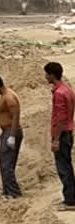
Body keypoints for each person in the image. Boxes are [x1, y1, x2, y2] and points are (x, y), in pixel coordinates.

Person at [0, 74, 23, 199]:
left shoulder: (9, 98)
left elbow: (15, 117)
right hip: (6, 132)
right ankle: (7, 191)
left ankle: (14, 193)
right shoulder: (5, 96)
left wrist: (12, 136)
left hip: (11, 132)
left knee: (7, 164)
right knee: (4, 163)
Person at [45, 62, 75, 211]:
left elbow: (61, 118)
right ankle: (70, 197)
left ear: (51, 75)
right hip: (68, 132)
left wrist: (56, 139)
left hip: (62, 135)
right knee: (67, 165)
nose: (45, 77)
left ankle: (70, 201)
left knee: (63, 168)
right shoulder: (67, 90)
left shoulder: (59, 93)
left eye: (46, 74)